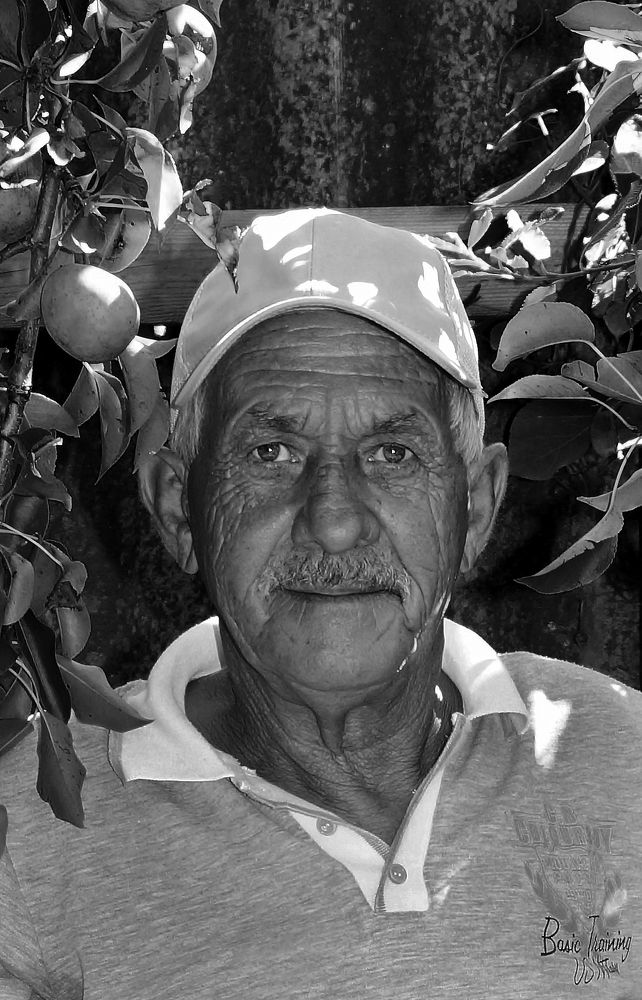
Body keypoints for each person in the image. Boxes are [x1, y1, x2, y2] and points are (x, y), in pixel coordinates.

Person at [0, 208, 640, 1000]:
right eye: (271, 453)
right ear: (177, 510)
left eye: (393, 453)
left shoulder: (622, 757)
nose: (335, 521)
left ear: (475, 508)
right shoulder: (34, 841)